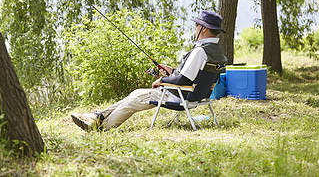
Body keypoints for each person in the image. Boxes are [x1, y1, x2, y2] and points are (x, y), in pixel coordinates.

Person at [71, 10, 227, 131]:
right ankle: (97, 116)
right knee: (136, 93)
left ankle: (102, 127)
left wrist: (162, 81)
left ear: (205, 29)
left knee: (132, 101)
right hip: (195, 95)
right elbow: (192, 75)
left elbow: (183, 80)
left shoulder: (200, 51)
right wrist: (172, 70)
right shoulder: (215, 50)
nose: (195, 28)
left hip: (178, 96)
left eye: (197, 26)